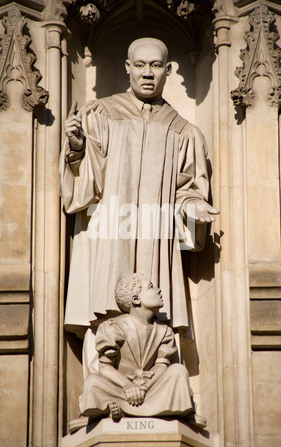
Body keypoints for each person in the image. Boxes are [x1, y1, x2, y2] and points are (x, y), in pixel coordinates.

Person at [59, 37, 219, 360]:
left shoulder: (184, 132)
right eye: (141, 65)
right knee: (104, 309)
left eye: (156, 66)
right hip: (111, 236)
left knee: (155, 312)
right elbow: (84, 188)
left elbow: (188, 189)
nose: (148, 73)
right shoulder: (101, 114)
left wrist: (192, 206)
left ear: (168, 71)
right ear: (127, 68)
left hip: (155, 239)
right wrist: (76, 150)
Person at [79, 273, 206, 427]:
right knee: (92, 382)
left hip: (150, 387)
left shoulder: (164, 331)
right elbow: (105, 367)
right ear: (135, 299)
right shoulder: (113, 327)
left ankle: (120, 409)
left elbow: (162, 364)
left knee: (178, 371)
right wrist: (128, 386)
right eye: (151, 287)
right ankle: (150, 407)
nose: (159, 290)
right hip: (121, 388)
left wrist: (144, 387)